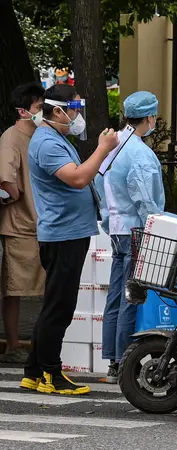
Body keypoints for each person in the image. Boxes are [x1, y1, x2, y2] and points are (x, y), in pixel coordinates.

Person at [19, 84, 118, 395]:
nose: (77, 115)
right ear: (57, 110)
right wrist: (103, 148)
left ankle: (33, 372)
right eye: (74, 109)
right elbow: (77, 178)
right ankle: (51, 373)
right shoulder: (47, 143)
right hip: (63, 234)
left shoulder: (56, 138)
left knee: (54, 304)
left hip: (70, 232)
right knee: (59, 307)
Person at [95, 91, 165, 383]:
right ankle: (125, 360)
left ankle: (113, 360)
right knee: (131, 297)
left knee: (115, 296)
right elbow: (146, 198)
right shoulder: (139, 152)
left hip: (115, 230)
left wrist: (109, 220)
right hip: (136, 230)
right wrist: (155, 225)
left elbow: (98, 181)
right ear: (149, 117)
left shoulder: (112, 144)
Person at [0, 83, 47, 364]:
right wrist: (17, 196)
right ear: (22, 111)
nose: (43, 112)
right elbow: (6, 179)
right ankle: (14, 345)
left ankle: (38, 342)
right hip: (20, 225)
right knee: (15, 289)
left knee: (44, 288)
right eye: (39, 108)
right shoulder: (11, 138)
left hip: (43, 223)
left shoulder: (41, 135)